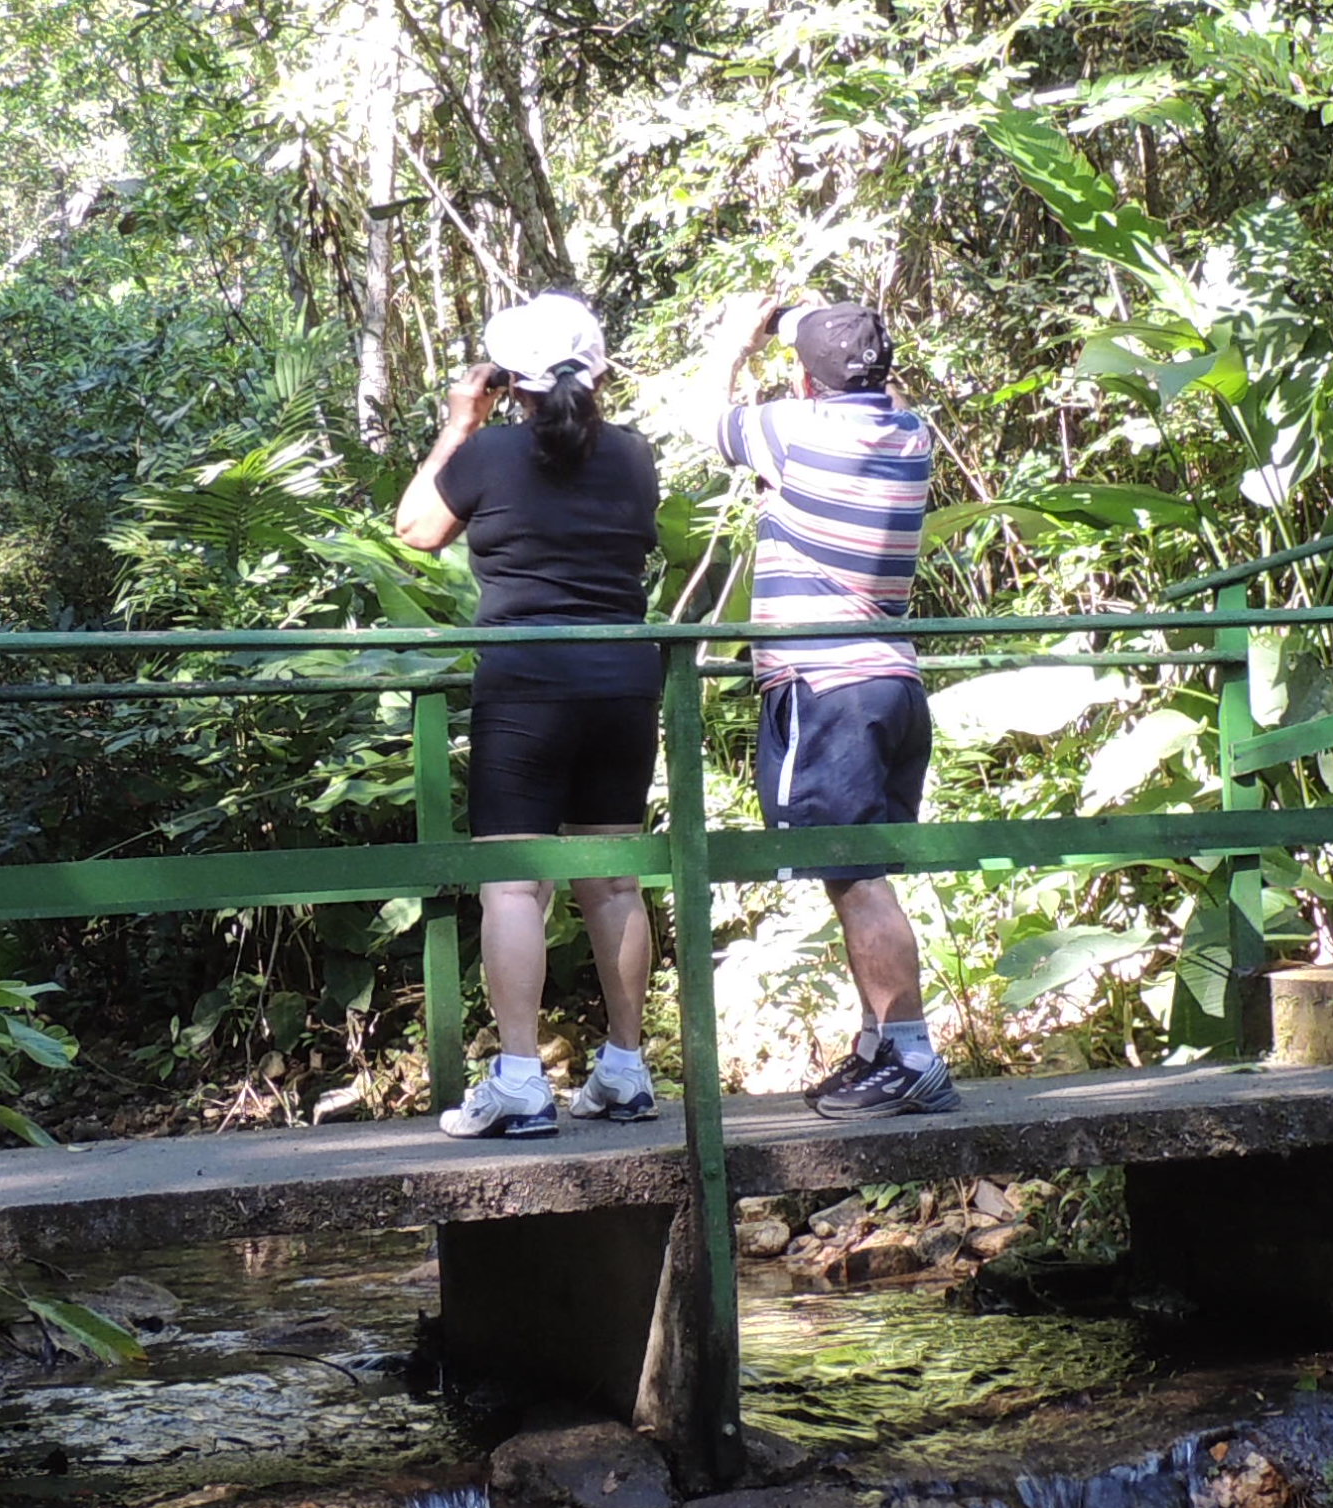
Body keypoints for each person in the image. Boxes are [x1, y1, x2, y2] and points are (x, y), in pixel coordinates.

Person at [394, 290, 665, 1140]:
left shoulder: (492, 455)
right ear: (600, 367)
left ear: (506, 381)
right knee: (613, 879)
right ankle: (624, 1069)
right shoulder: (636, 457)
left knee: (515, 882)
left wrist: (458, 423)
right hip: (625, 679)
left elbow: (414, 529)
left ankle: (518, 1078)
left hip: (527, 683)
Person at [711, 297, 957, 1118]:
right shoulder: (912, 434)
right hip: (888, 678)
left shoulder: (799, 431)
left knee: (854, 877)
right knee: (861, 870)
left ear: (806, 377)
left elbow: (710, 421)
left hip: (827, 684)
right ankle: (879, 1046)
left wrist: (738, 345)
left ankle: (912, 1052)